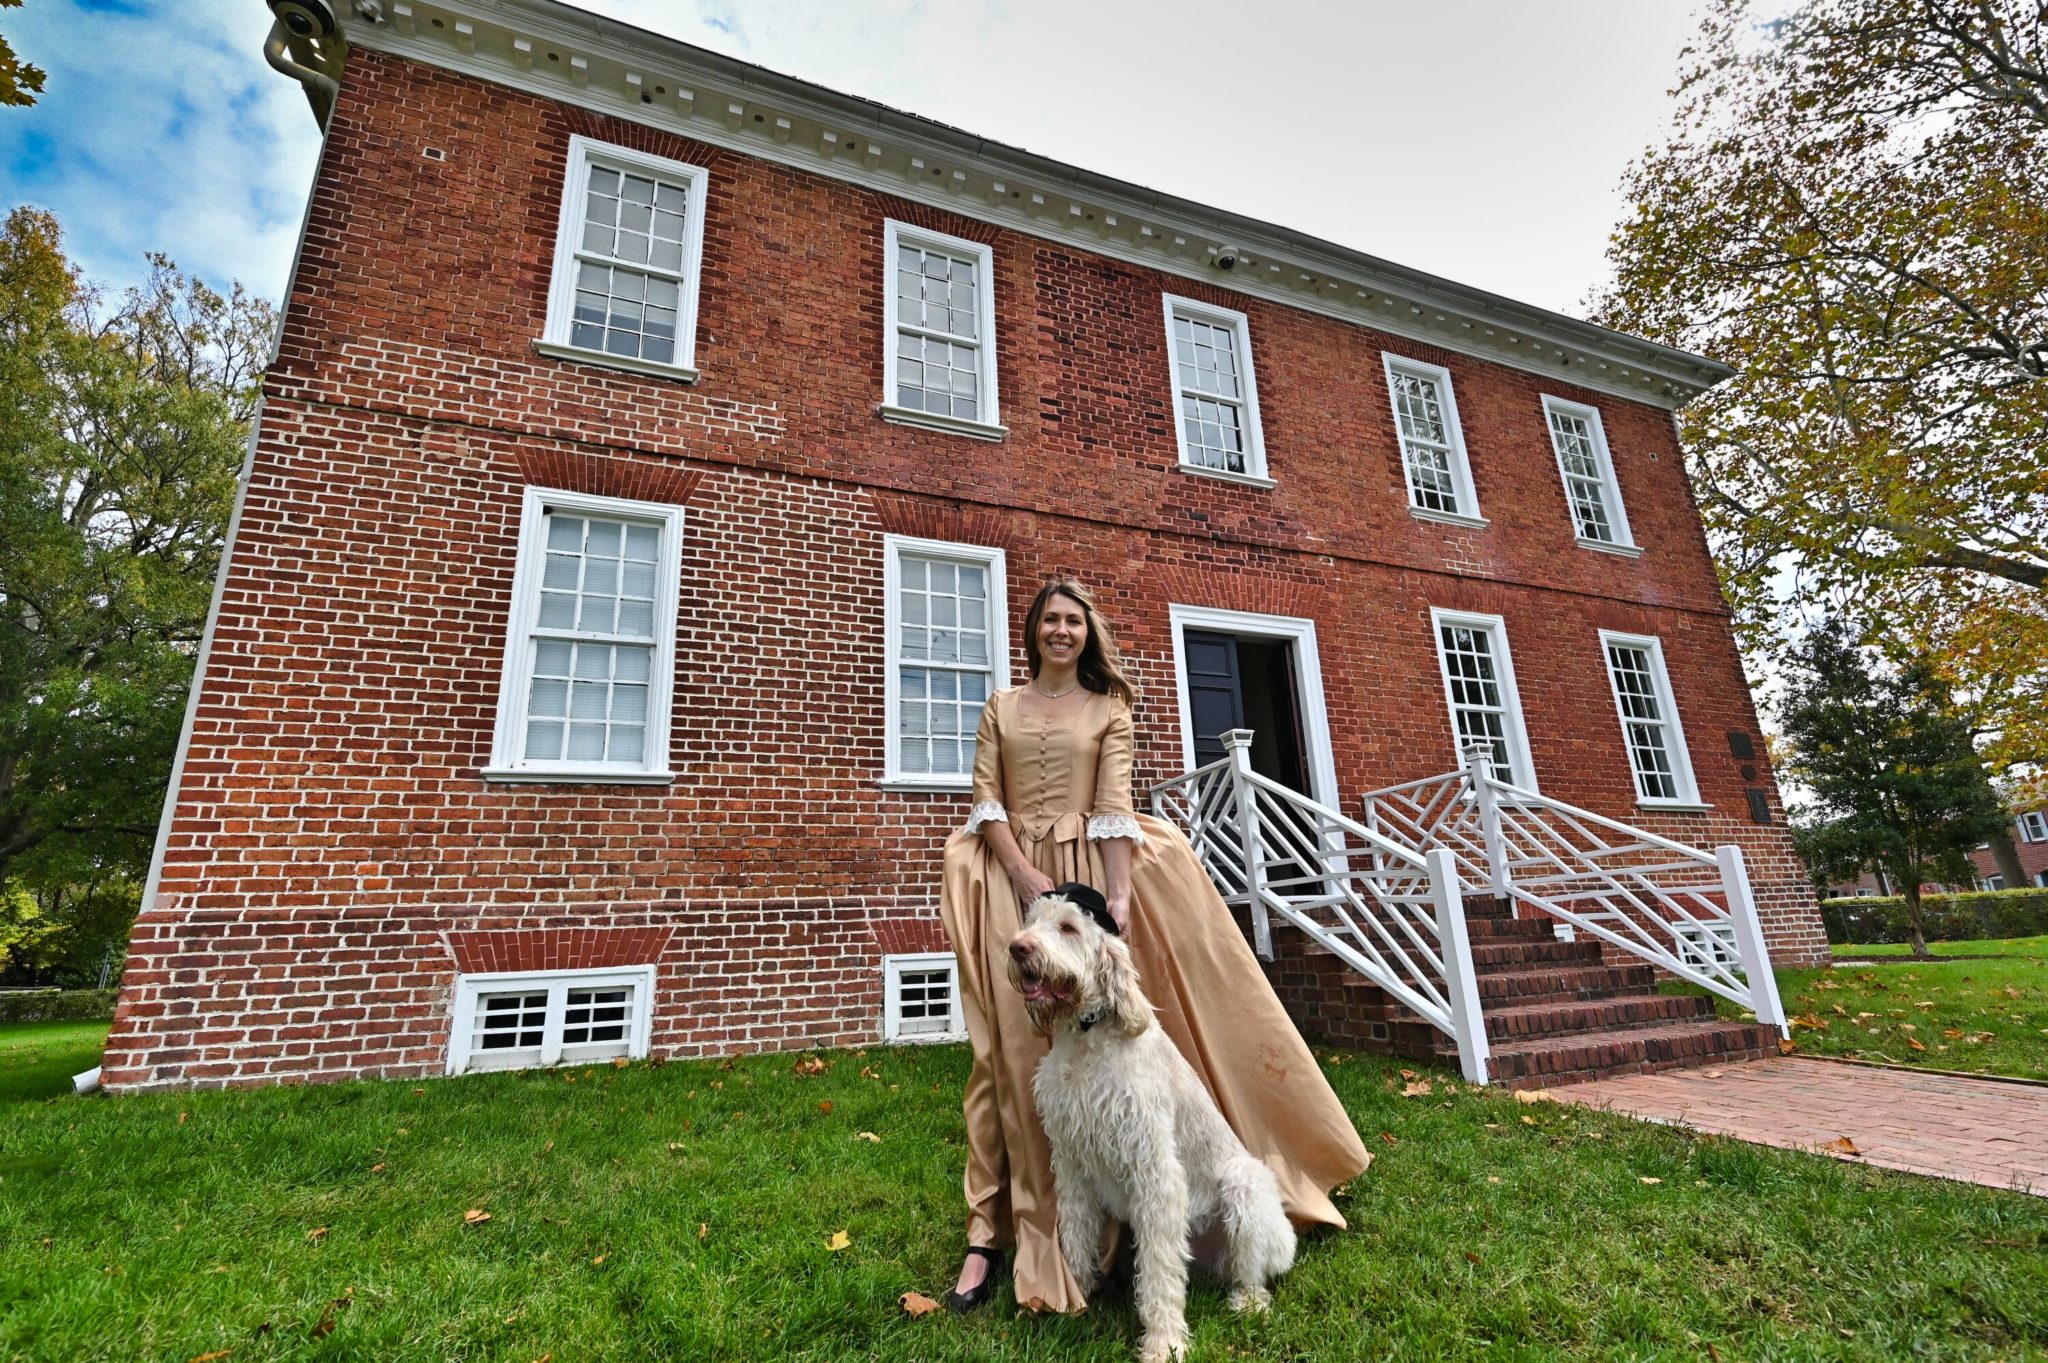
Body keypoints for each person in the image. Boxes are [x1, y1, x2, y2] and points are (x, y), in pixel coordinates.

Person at [939, 577, 1370, 1314]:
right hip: (1011, 879)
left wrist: (1117, 898)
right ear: (1033, 630)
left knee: (1128, 1041)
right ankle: (996, 1234)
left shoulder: (1111, 708)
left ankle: (1138, 1227)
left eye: (1074, 621)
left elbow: (1112, 803)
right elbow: (986, 800)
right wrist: (1020, 873)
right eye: (1050, 620)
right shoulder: (999, 706)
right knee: (1004, 1061)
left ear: (1087, 632)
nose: (1062, 631)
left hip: (1091, 870)